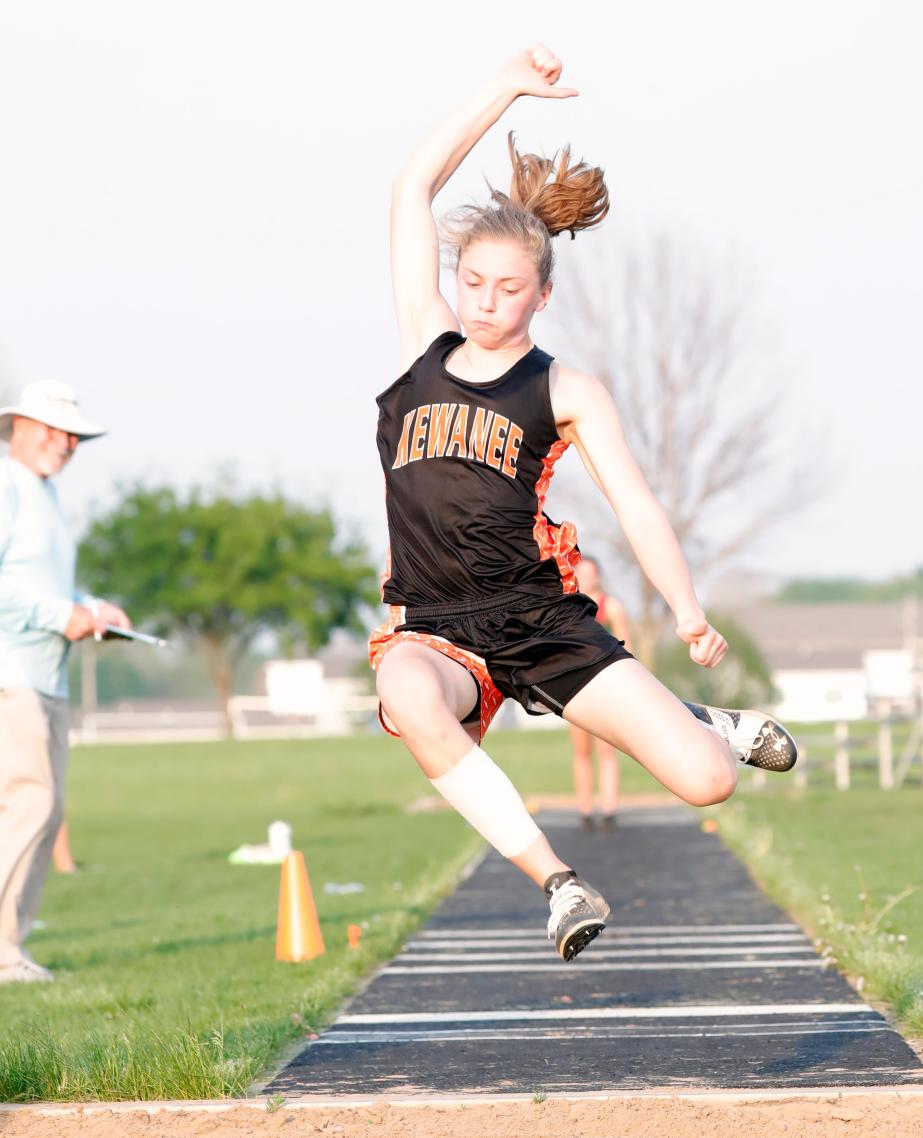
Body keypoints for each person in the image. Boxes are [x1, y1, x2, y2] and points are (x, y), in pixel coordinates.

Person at [368, 44, 797, 962]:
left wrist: (685, 608)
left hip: (540, 621)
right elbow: (412, 188)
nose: (484, 303)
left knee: (708, 781)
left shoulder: (564, 387)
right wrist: (506, 89)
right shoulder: (420, 349)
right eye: (472, 284)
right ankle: (559, 882)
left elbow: (637, 507)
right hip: (438, 629)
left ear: (543, 294)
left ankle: (703, 722)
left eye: (508, 289)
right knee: (403, 694)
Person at [0, 380, 131, 983]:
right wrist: (63, 616)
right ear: (18, 428)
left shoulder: (43, 495)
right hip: (13, 674)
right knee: (32, 806)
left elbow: (46, 585)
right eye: (52, 430)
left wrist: (94, 607)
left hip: (45, 676)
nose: (66, 442)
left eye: (72, 434)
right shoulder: (6, 486)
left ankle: (12, 949)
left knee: (42, 813)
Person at [566, 556, 632, 833]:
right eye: (581, 573)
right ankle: (584, 809)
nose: (586, 578)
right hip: (575, 686)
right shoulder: (567, 604)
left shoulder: (611, 607)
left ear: (598, 575)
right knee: (581, 751)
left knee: (606, 749)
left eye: (591, 573)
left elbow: (626, 644)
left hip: (606, 686)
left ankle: (609, 809)